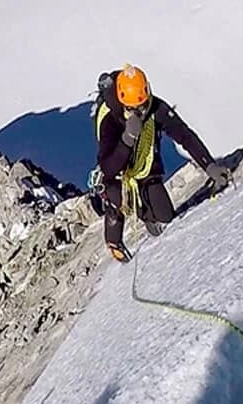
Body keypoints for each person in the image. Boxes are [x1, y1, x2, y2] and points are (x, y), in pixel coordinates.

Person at [91, 64, 230, 262]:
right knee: (116, 195)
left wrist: (209, 166)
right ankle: (114, 238)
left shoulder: (155, 108)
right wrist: (128, 138)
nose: (139, 112)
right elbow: (108, 168)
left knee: (165, 217)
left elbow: (184, 135)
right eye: (132, 108)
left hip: (145, 167)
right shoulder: (110, 120)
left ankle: (147, 213)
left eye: (142, 105)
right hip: (118, 173)